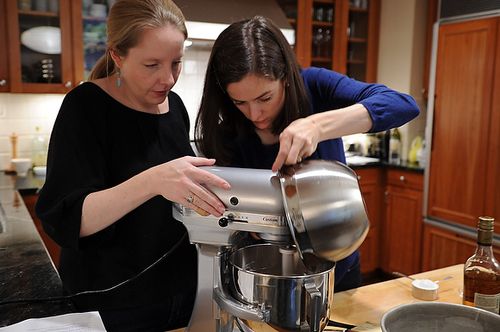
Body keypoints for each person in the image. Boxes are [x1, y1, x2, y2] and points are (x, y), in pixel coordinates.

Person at [35, 1, 230, 331]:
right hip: (114, 303)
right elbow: (68, 218)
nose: (167, 78)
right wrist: (153, 180)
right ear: (117, 56)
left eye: (176, 63)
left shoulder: (175, 107)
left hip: (181, 293)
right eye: (151, 64)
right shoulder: (86, 107)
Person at [195, 16, 420, 291]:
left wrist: (317, 125)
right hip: (266, 275)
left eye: (265, 98)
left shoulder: (314, 87)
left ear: (286, 78)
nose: (255, 114)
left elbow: (403, 105)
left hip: (337, 267)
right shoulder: (226, 132)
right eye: (240, 102)